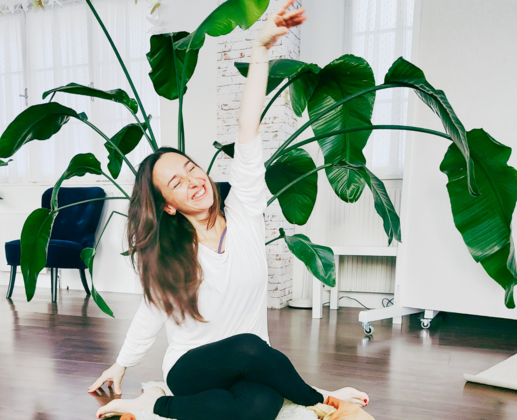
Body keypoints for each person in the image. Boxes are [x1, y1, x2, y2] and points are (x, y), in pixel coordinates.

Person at [88, 1, 370, 418]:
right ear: (168, 207)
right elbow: (150, 314)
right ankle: (323, 401)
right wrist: (120, 365)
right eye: (176, 183)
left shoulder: (244, 210)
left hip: (248, 367)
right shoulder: (170, 253)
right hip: (192, 368)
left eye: (190, 168)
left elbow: (247, 128)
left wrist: (261, 48)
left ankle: (155, 405)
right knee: (250, 348)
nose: (192, 180)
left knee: (258, 408)